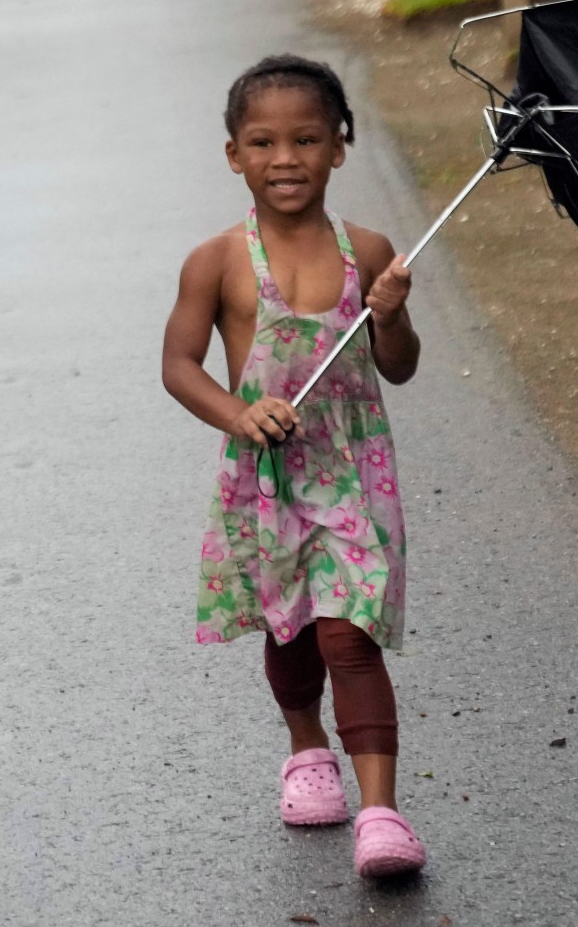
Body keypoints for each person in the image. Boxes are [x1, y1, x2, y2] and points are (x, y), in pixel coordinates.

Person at [159, 55, 429, 881]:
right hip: (269, 475)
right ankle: (306, 746)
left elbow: (401, 366)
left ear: (339, 148)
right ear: (234, 153)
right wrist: (238, 413)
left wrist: (390, 318)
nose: (286, 158)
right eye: (264, 141)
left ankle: (381, 813)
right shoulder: (218, 262)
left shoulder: (371, 251)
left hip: (353, 471)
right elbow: (179, 364)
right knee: (291, 626)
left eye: (308, 139)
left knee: (350, 632)